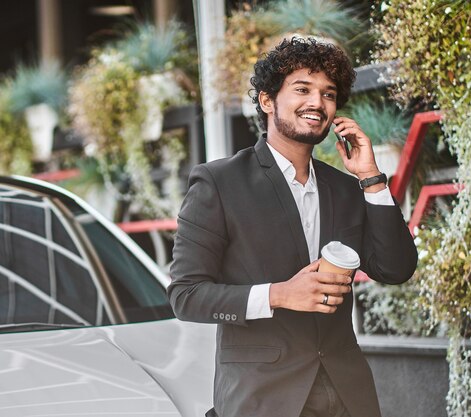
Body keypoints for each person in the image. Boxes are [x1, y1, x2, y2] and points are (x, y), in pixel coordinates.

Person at [168, 37, 417, 417]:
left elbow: (397, 268)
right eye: (302, 89)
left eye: (328, 94)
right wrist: (279, 294)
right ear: (267, 100)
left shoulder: (347, 189)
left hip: (348, 396)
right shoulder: (218, 183)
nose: (317, 103)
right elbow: (186, 295)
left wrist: (371, 178)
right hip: (263, 398)